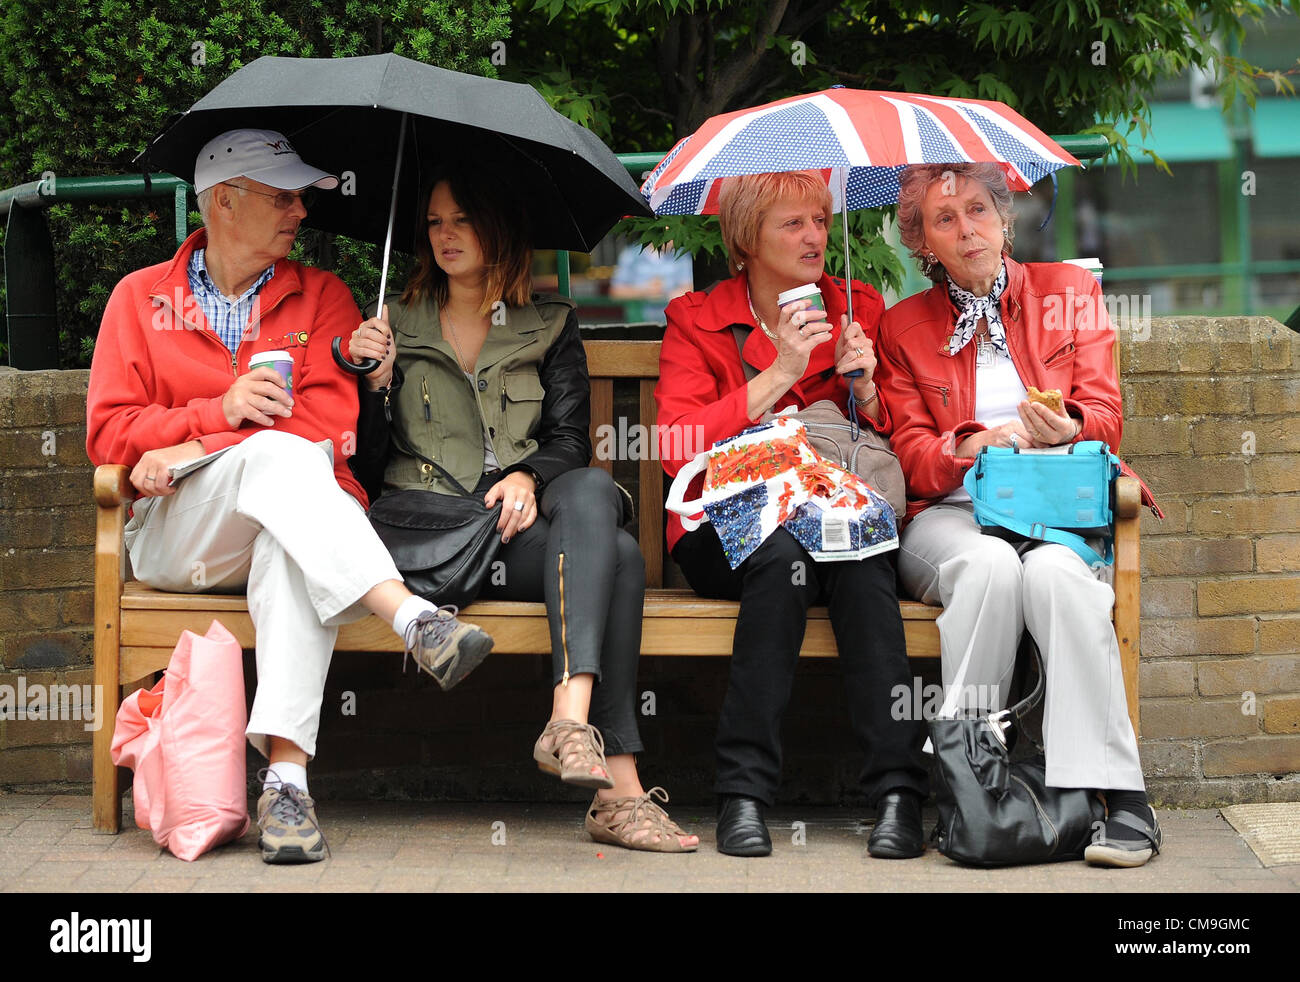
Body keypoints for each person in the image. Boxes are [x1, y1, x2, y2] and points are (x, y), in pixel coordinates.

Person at [85, 129, 496, 866]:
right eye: (282, 196)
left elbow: (331, 431)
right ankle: (411, 616)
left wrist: (193, 442)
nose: (301, 210)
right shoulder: (139, 299)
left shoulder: (325, 297)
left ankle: (287, 789)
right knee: (278, 458)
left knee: (290, 530)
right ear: (222, 201)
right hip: (181, 535)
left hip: (293, 519)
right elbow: (109, 433)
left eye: (301, 195)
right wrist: (217, 415)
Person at [347, 168, 698, 853]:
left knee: (594, 491)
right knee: (622, 559)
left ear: (499, 226)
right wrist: (375, 389)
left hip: (512, 538)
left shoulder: (550, 324)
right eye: (434, 223)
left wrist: (526, 476)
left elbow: (569, 439)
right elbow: (360, 469)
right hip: (430, 543)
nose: (445, 236)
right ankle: (619, 793)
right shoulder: (394, 324)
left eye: (462, 220)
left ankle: (571, 722)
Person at [876, 162, 1162, 868]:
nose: (966, 227)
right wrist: (971, 444)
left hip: (1055, 506)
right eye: (945, 219)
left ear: (1006, 219)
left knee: (1057, 581)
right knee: (990, 567)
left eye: (978, 209)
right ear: (924, 245)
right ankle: (972, 779)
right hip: (952, 513)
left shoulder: (1070, 292)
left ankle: (1118, 794)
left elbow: (1106, 415)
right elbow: (910, 455)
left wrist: (1068, 428)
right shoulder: (902, 327)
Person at [654, 170, 929, 858]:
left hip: (831, 508)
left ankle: (898, 794)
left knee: (862, 555)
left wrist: (863, 382)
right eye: (792, 224)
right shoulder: (697, 318)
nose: (813, 237)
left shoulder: (857, 306)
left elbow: (897, 440)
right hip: (726, 523)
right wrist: (778, 371)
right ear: (747, 240)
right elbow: (675, 447)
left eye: (817, 220)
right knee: (780, 559)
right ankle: (743, 795)